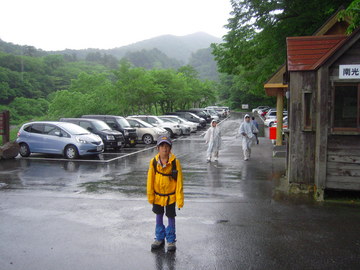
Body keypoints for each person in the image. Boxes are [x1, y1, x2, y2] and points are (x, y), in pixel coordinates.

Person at [147, 135, 184, 252]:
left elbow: (179, 182)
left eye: (167, 146)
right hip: (157, 196)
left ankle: (171, 240)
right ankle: (159, 238)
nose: (164, 149)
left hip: (170, 197)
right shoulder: (153, 162)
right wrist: (150, 196)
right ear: (157, 148)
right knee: (158, 216)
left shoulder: (175, 162)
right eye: (162, 146)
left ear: (170, 148)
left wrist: (179, 199)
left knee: (171, 217)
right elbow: (150, 180)